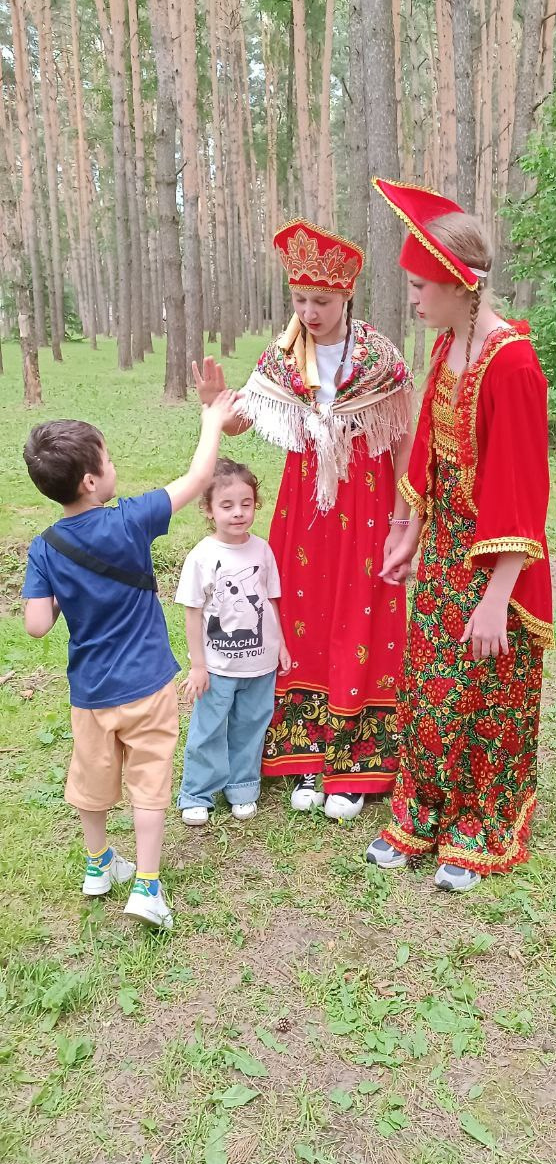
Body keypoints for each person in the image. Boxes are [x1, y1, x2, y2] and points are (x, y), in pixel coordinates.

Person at [366, 179, 553, 891]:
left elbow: (523, 493)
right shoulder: (448, 345)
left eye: (420, 286)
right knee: (434, 681)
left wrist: (497, 597)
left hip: (499, 563)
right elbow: (430, 451)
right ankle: (424, 805)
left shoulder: (513, 365)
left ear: (457, 285)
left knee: (489, 685)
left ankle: (481, 816)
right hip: (446, 549)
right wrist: (408, 530)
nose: (412, 300)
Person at [193, 220, 414, 820]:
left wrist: (401, 519)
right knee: (302, 611)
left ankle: (356, 764)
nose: (309, 312)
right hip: (306, 508)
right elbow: (245, 418)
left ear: (347, 297)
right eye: (300, 300)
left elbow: (402, 441)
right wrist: (217, 405)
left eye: (321, 300)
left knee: (360, 609)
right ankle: (304, 756)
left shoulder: (379, 357)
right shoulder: (285, 354)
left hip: (367, 503)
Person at [21, 394, 236, 929]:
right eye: (109, 458)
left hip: (90, 694)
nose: (114, 466)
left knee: (92, 781)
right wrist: (211, 419)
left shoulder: (44, 547)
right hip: (147, 684)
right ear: (92, 480)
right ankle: (145, 886)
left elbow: (36, 624)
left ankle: (97, 866)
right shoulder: (131, 521)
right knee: (149, 783)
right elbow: (198, 474)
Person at [175, 457, 291, 825]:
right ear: (208, 509)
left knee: (251, 724)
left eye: (246, 504)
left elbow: (272, 602)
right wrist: (198, 665)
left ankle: (242, 786)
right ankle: (198, 793)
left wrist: (282, 645)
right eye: (227, 505)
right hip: (218, 667)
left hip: (260, 663)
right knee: (209, 727)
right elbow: (193, 612)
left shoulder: (262, 550)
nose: (238, 513)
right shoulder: (203, 557)